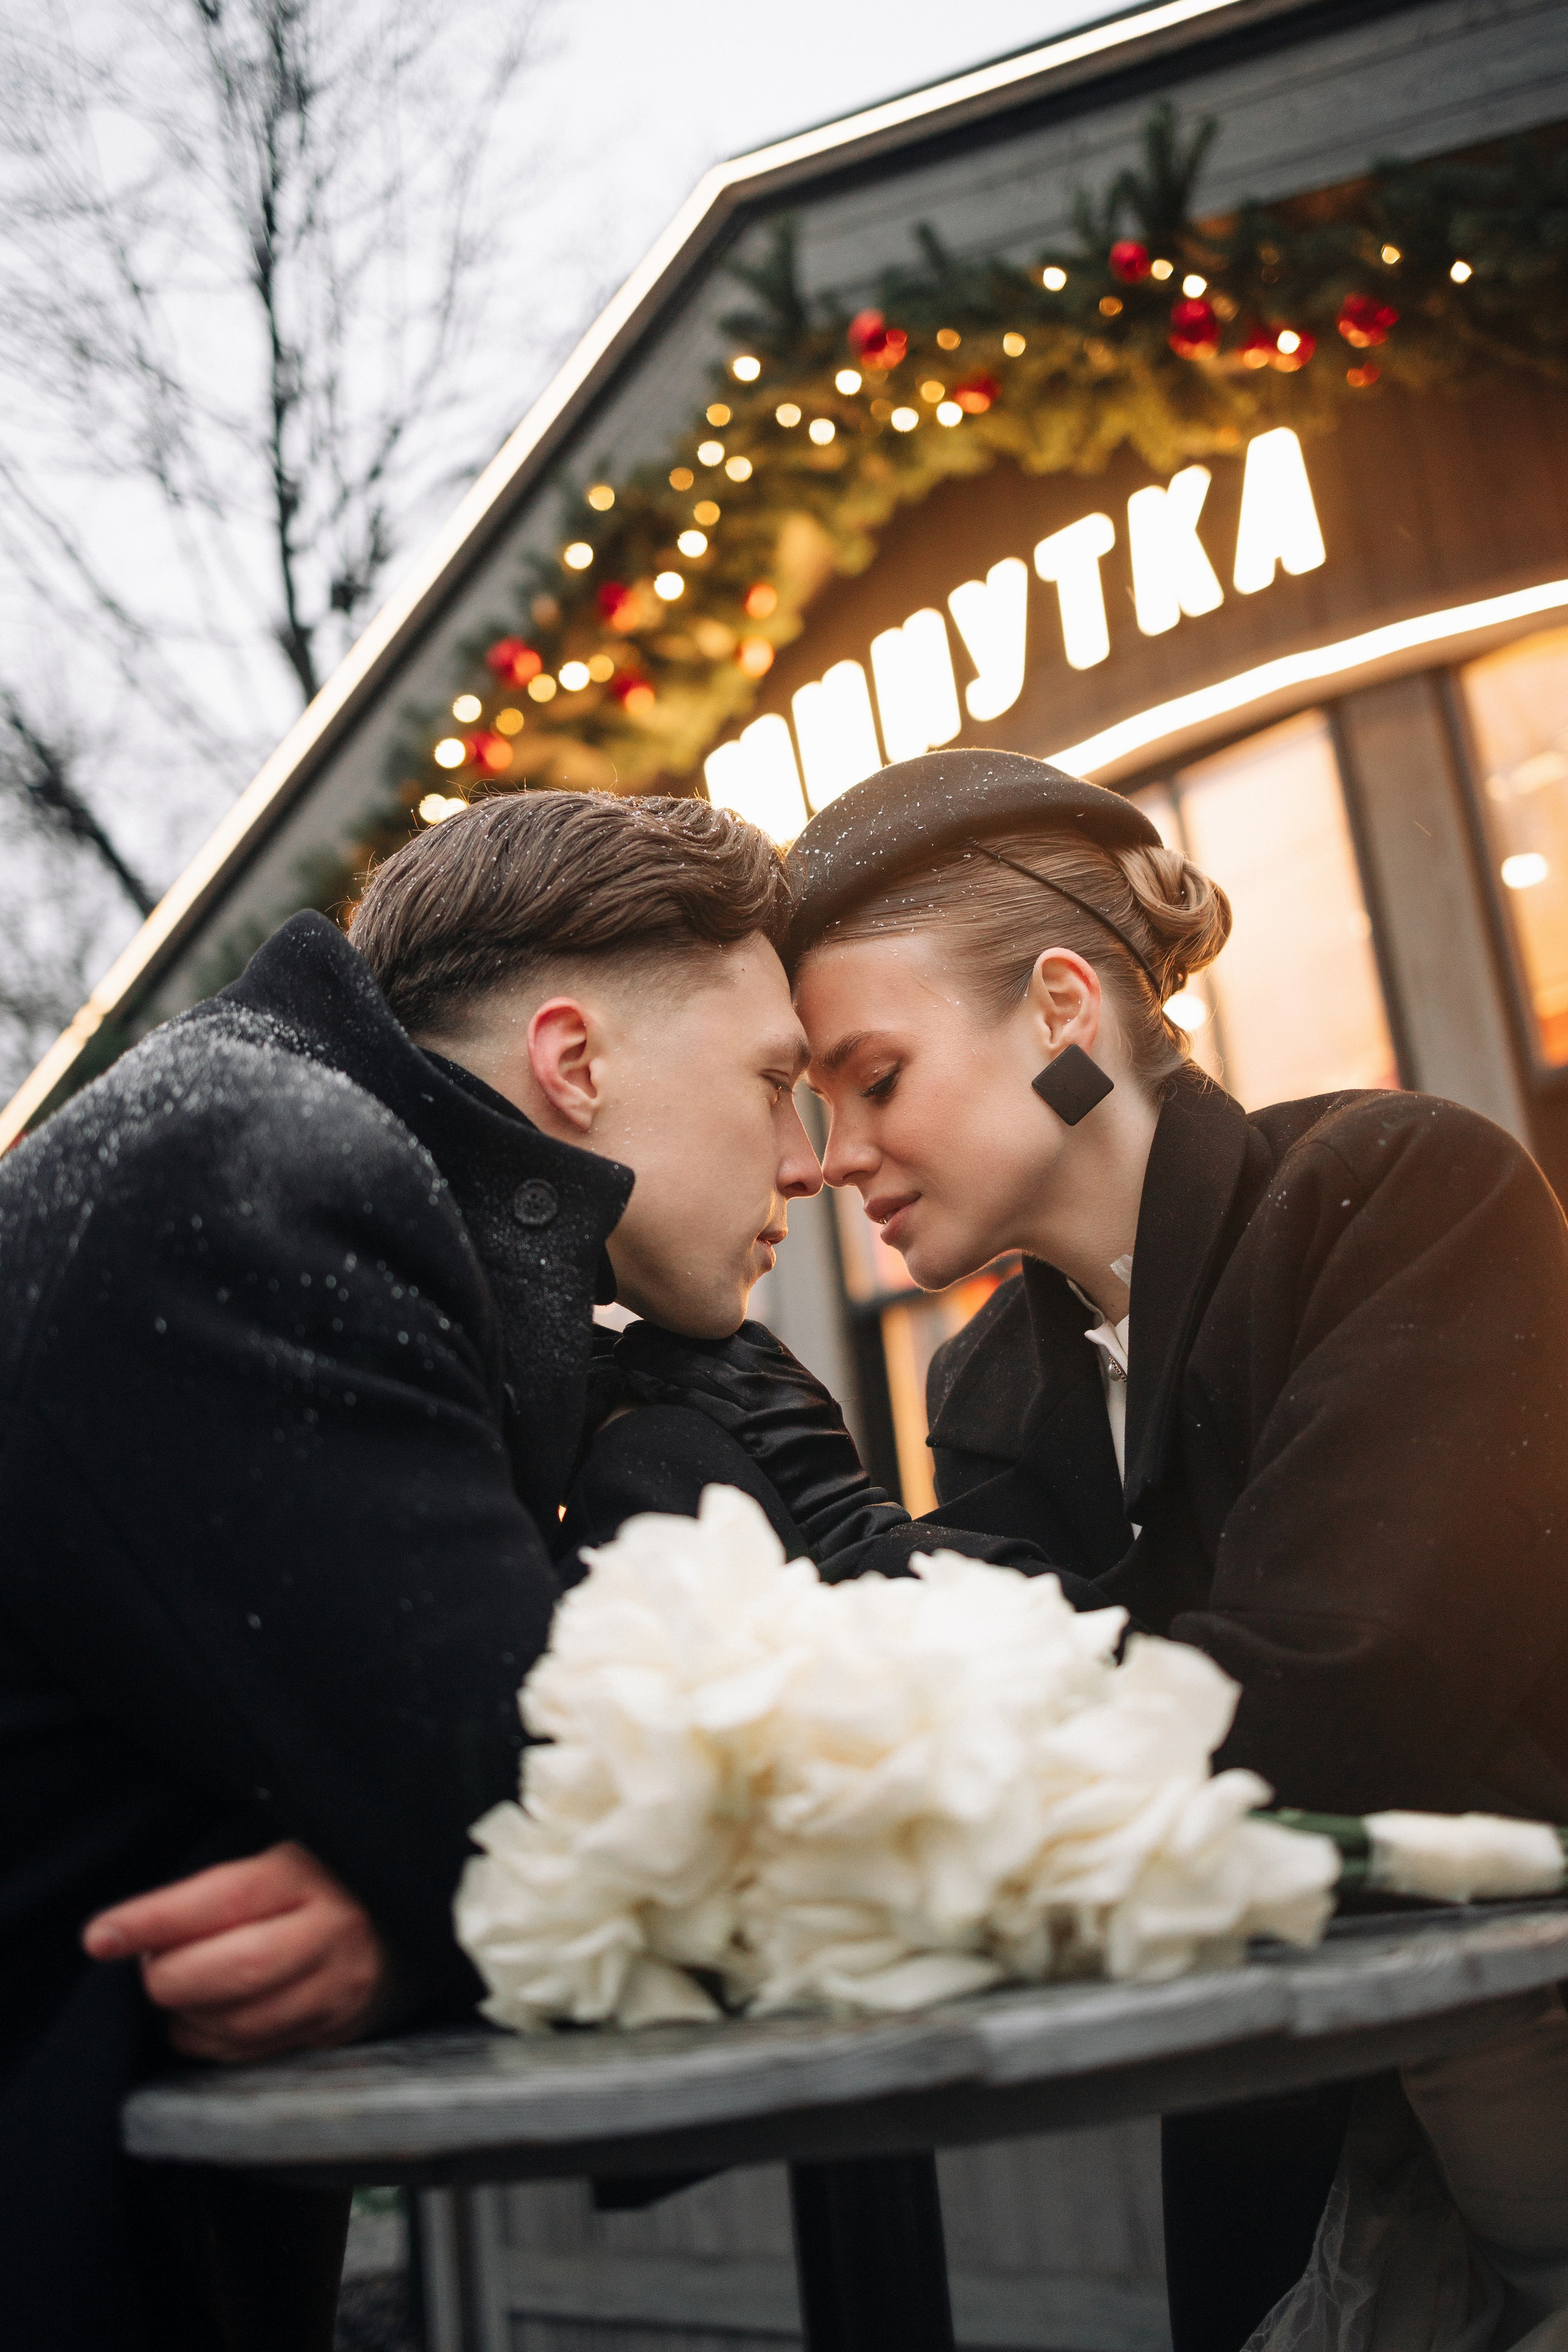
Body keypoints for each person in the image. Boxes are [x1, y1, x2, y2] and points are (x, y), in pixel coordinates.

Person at [9, 784, 1053, 2350]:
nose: (806, 1159)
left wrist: (416, 1898)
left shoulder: (306, 1159)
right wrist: (451, 1883)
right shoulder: (262, 1181)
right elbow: (523, 1785)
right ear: (572, 1064)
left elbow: (482, 1791)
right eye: (777, 1082)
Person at [600, 747, 1568, 2351]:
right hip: (1292, 2138)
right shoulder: (991, 1380)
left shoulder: (1395, 1189)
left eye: (877, 1077)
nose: (832, 1155)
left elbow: (1344, 1698)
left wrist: (882, 1615)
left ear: (1063, 1012)